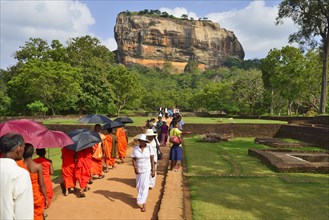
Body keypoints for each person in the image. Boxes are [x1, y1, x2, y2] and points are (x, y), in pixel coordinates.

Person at [0, 133, 34, 220]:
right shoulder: (21, 174)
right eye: (23, 147)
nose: (23, 150)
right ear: (18, 149)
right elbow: (24, 214)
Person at [23, 144, 49, 220]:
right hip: (35, 194)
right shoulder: (37, 166)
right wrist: (46, 197)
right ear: (32, 153)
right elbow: (42, 184)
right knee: (37, 214)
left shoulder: (19, 166)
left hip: (24, 195)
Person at [131, 134, 155, 212]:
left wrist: (153, 170)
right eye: (140, 141)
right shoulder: (136, 149)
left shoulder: (149, 148)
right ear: (139, 141)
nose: (142, 142)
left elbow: (152, 159)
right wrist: (135, 167)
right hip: (139, 169)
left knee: (144, 186)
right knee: (138, 186)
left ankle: (144, 203)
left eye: (143, 141)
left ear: (145, 142)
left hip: (147, 169)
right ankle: (141, 198)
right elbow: (133, 159)